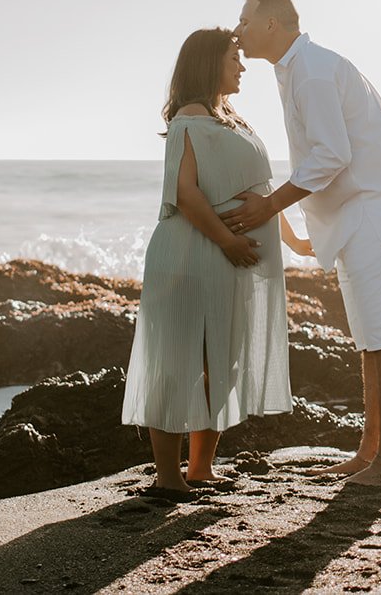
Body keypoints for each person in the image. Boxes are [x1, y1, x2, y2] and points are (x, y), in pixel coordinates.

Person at [224, 0, 381, 487]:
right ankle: (369, 453)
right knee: (370, 342)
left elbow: (330, 155)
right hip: (356, 216)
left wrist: (268, 206)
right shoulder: (299, 69)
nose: (238, 30)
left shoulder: (314, 71)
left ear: (273, 24)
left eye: (245, 20)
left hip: (376, 216)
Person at [121, 27, 310, 501]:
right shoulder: (190, 117)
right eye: (233, 58)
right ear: (209, 63)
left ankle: (201, 469)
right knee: (175, 364)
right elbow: (186, 195)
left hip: (225, 258)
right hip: (190, 254)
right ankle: (168, 478)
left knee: (219, 362)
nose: (242, 66)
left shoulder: (231, 117)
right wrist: (228, 241)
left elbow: (258, 192)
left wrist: (292, 239)